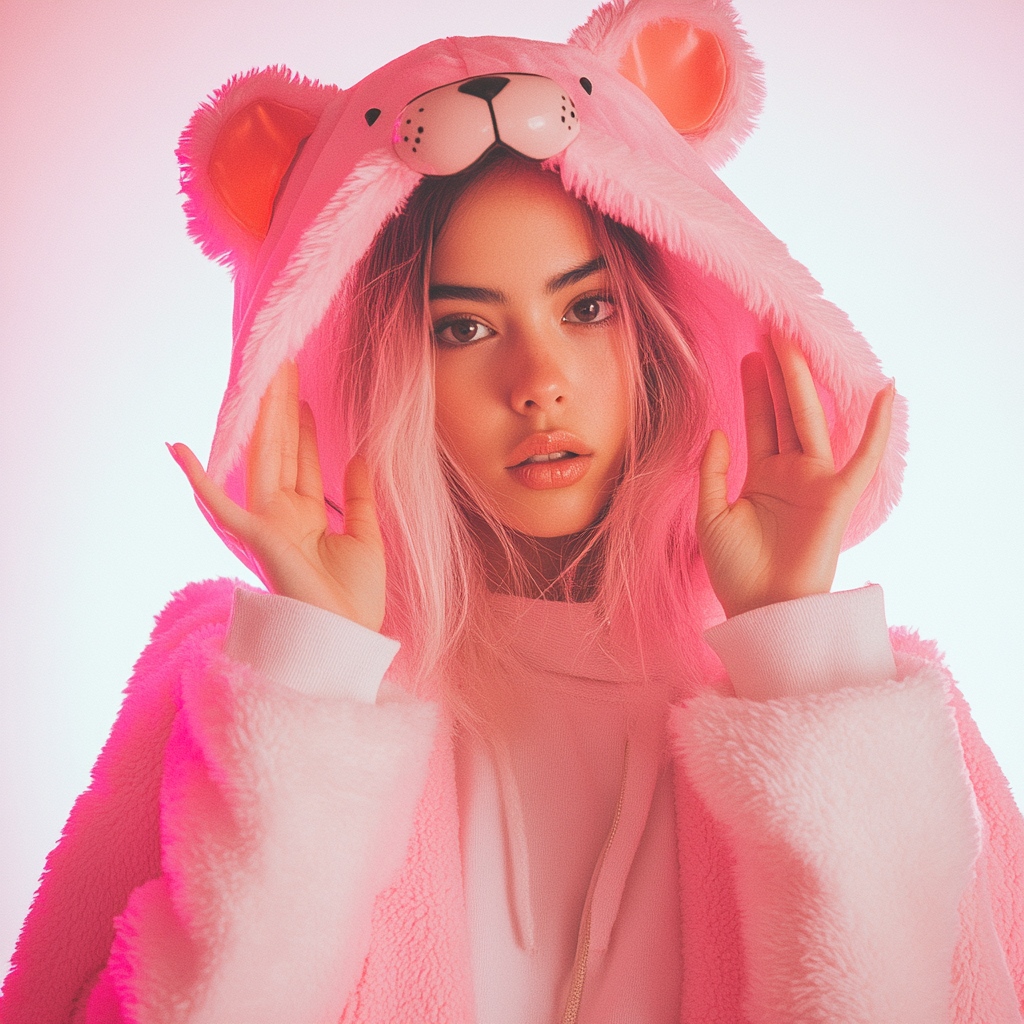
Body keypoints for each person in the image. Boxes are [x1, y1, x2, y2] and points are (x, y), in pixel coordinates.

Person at [3, 1, 1022, 1021]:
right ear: (375, 366)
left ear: (660, 325)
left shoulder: (862, 708)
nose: (539, 380)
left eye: (585, 307)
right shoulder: (251, 695)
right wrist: (309, 688)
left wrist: (799, 655)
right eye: (462, 327)